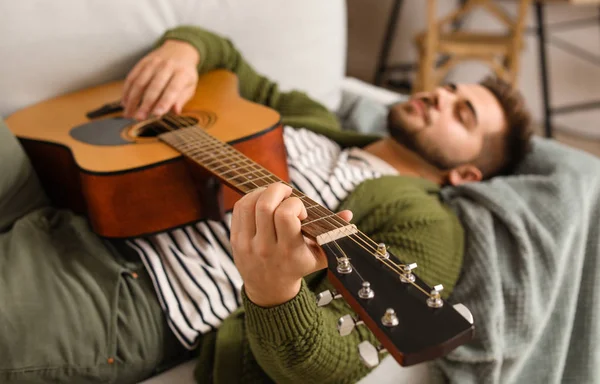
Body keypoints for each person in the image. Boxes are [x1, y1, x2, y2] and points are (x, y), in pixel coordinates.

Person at [0, 25, 532, 384]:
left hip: (130, 289)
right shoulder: (311, 116)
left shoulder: (426, 224)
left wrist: (274, 291)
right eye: (450, 88)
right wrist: (181, 53)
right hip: (77, 184)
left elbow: (329, 364)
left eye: (462, 115)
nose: (440, 96)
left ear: (465, 174)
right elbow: (224, 57)